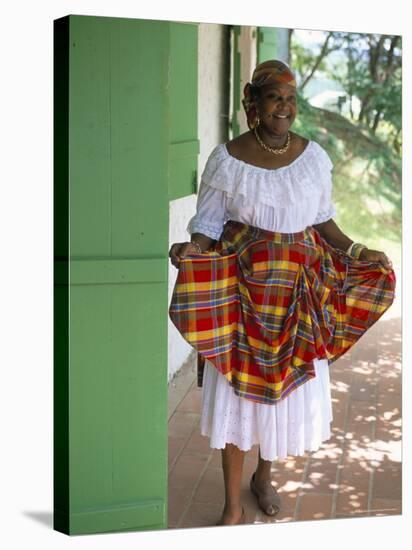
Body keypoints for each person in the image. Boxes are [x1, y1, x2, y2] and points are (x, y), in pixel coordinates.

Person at [168, 59, 396, 527]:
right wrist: (191, 249)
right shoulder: (226, 159)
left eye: (291, 100)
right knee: (239, 393)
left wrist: (358, 248)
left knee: (284, 392)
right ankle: (232, 506)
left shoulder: (312, 158)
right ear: (253, 102)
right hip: (243, 295)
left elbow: (322, 221)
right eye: (275, 98)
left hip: (299, 294)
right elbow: (209, 226)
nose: (284, 108)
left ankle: (263, 478)